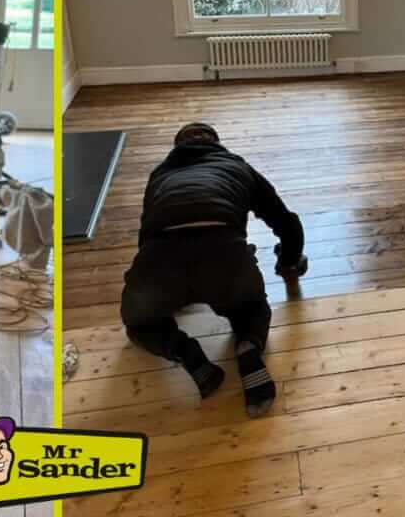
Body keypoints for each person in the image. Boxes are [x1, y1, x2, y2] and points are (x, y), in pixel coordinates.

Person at [120, 123, 307, 418]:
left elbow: (145, 237)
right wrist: (289, 262)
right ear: (216, 144)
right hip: (225, 254)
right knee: (252, 309)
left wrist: (162, 283)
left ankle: (186, 352)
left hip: (160, 256)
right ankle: (248, 345)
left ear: (176, 149)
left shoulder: (161, 175)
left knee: (139, 322)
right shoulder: (236, 166)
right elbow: (287, 223)